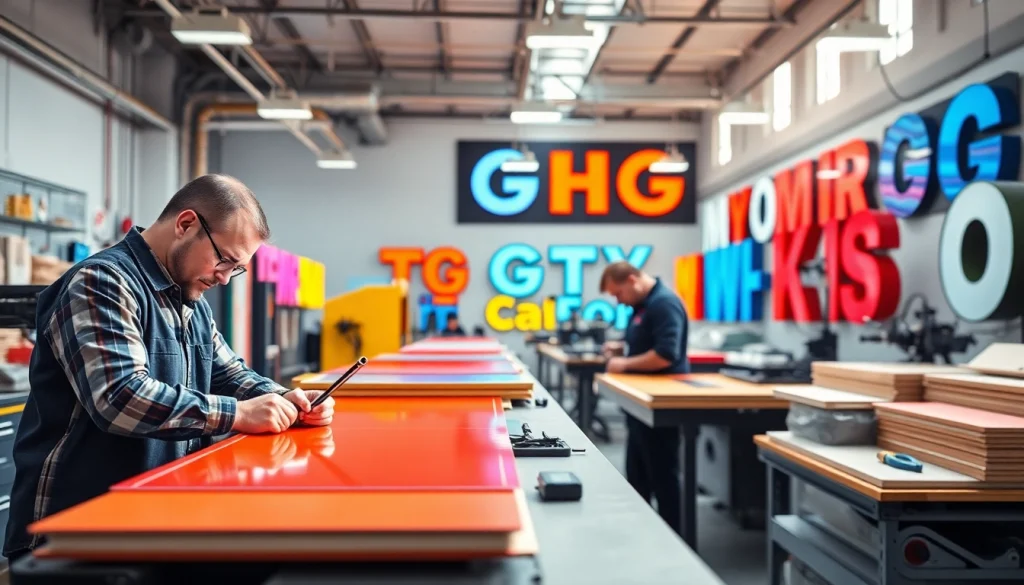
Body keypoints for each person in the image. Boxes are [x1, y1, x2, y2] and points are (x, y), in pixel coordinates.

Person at [3, 174, 335, 563]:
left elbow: (228, 373)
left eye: (236, 269)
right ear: (186, 224)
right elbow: (120, 397)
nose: (225, 278)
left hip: (144, 518)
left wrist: (284, 398)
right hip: (75, 527)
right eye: (224, 260)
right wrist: (240, 414)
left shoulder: (189, 302)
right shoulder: (102, 282)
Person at [599, 260, 689, 536]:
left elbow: (665, 354)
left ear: (631, 280)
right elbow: (647, 341)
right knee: (638, 473)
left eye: (618, 293)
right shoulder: (642, 306)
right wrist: (623, 347)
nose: (618, 300)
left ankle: (675, 539)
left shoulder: (664, 304)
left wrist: (624, 364)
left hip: (661, 404)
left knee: (663, 475)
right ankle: (645, 534)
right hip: (640, 402)